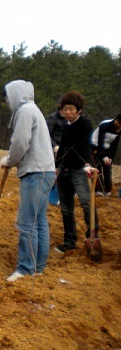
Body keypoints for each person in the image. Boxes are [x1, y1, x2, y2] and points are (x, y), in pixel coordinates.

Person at [0, 80, 56, 282]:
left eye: (7, 97)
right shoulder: (34, 109)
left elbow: (21, 142)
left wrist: (10, 160)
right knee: (39, 221)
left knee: (26, 223)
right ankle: (38, 266)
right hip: (46, 171)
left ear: (15, 94)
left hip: (35, 173)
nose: (7, 102)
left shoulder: (24, 111)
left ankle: (25, 268)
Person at [54, 91, 99, 254]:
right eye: (65, 109)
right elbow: (63, 146)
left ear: (79, 110)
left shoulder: (85, 123)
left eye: (71, 109)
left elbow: (86, 145)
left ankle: (93, 235)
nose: (67, 112)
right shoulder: (65, 125)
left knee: (86, 202)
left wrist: (87, 164)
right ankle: (69, 241)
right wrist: (57, 166)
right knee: (66, 208)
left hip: (80, 169)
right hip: (65, 170)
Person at [91, 114, 120, 197]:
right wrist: (103, 156)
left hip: (107, 147)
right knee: (98, 168)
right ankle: (97, 190)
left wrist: (110, 158)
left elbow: (115, 146)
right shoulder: (104, 125)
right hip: (95, 145)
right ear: (117, 121)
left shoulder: (119, 130)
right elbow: (100, 142)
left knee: (107, 168)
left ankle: (107, 189)